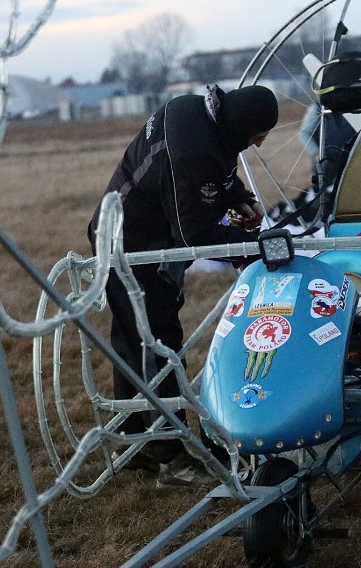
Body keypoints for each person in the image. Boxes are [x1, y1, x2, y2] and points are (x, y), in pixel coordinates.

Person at [87, 84, 278, 487]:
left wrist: (240, 198)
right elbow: (193, 236)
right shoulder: (192, 151)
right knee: (158, 344)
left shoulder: (200, 113)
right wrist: (249, 249)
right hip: (134, 245)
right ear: (241, 125)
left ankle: (132, 442)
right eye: (256, 138)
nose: (256, 146)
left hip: (126, 233)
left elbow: (217, 177)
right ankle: (171, 455)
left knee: (131, 340)